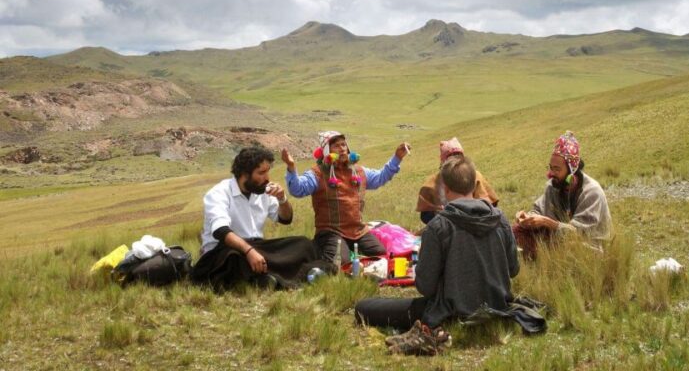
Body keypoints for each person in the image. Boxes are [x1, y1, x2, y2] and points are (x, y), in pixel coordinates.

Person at [354, 156, 520, 355]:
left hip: (451, 312)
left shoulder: (439, 226)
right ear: (475, 185)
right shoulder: (500, 218)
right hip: (498, 306)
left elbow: (426, 286)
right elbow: (513, 269)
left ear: (446, 189)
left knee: (363, 307)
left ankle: (433, 333)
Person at [191, 147, 319, 291]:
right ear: (245, 174)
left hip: (257, 247)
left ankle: (266, 278)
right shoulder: (219, 193)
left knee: (303, 243)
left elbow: (286, 219)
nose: (267, 178)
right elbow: (221, 231)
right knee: (234, 259)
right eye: (261, 173)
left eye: (267, 171)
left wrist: (282, 199)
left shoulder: (263, 191)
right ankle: (274, 277)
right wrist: (249, 251)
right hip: (223, 251)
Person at [282, 131, 410, 263]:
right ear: (326, 151)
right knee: (341, 262)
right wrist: (291, 167)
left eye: (344, 145)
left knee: (380, 255)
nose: (342, 149)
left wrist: (397, 158)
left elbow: (380, 177)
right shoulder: (317, 173)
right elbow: (298, 190)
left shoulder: (359, 171)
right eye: (336, 146)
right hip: (331, 231)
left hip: (358, 230)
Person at [513, 131, 612, 259]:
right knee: (516, 231)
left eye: (557, 169)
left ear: (572, 171)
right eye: (550, 168)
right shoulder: (553, 185)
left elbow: (577, 234)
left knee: (569, 246)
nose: (551, 173)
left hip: (591, 245)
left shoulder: (591, 192)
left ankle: (545, 261)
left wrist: (547, 222)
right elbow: (539, 210)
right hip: (561, 238)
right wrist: (528, 218)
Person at [416, 137, 499, 224]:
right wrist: (437, 214)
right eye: (450, 156)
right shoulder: (432, 182)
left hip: (476, 223)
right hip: (445, 227)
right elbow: (425, 216)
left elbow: (491, 205)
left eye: (458, 155)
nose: (455, 160)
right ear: (443, 161)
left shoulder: (475, 176)